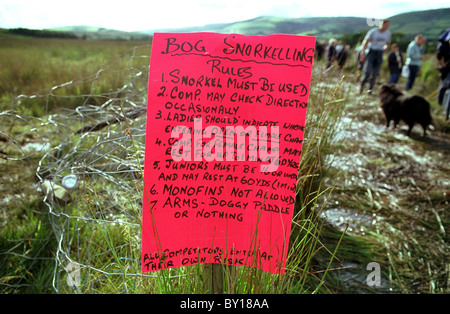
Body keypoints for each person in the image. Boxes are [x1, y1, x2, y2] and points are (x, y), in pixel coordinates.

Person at [359, 19, 391, 95]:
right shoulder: (373, 31)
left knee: (375, 73)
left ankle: (370, 89)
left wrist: (384, 50)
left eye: (388, 25)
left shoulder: (388, 33)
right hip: (371, 51)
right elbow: (366, 42)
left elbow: (388, 43)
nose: (387, 26)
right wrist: (363, 53)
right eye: (386, 24)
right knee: (367, 71)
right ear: (382, 24)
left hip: (379, 52)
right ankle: (361, 86)